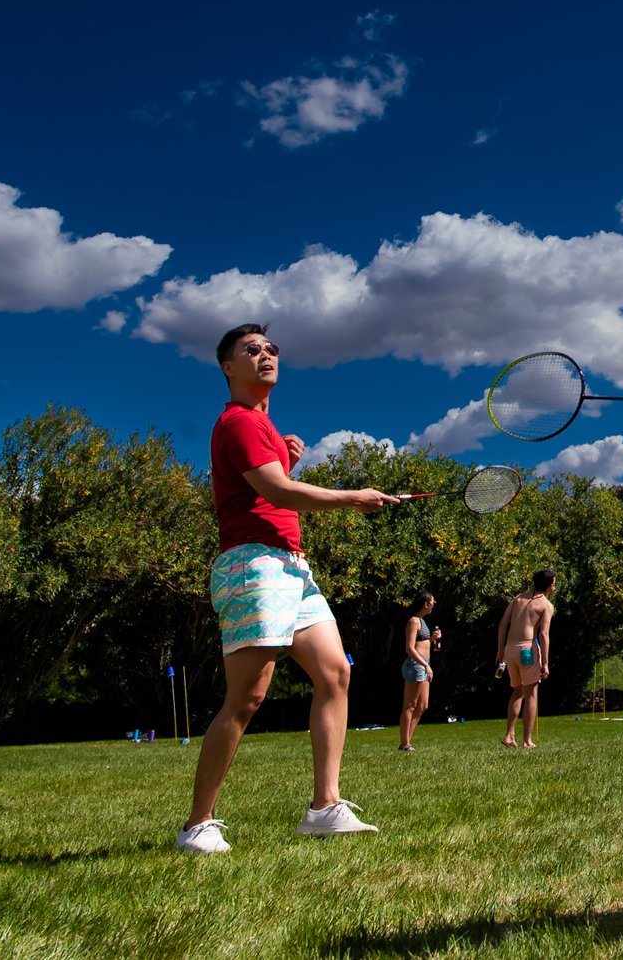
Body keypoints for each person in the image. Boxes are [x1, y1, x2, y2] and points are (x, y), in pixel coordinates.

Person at [177, 324, 399, 854]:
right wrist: (350, 498)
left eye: (271, 349)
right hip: (253, 565)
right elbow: (277, 492)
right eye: (251, 350)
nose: (266, 355)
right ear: (228, 368)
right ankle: (198, 825)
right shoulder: (239, 422)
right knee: (247, 698)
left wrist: (285, 459)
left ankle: (325, 807)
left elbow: (264, 488)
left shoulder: (263, 426)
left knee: (335, 673)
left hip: (292, 567)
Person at [497, 569, 555, 749]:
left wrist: (500, 652)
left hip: (510, 649)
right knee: (531, 694)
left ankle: (509, 735)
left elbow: (502, 624)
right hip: (527, 649)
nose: (554, 586)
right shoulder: (546, 605)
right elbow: (544, 634)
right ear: (548, 585)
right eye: (553, 583)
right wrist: (545, 662)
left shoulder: (518, 598)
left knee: (517, 691)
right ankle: (527, 741)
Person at [397, 592, 440, 753]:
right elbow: (410, 648)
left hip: (423, 664)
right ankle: (404, 743)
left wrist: (432, 639)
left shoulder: (422, 622)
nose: (434, 603)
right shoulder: (413, 621)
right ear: (425, 604)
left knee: (422, 705)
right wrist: (425, 665)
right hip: (416, 665)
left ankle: (406, 741)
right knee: (410, 705)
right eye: (432, 601)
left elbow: (422, 644)